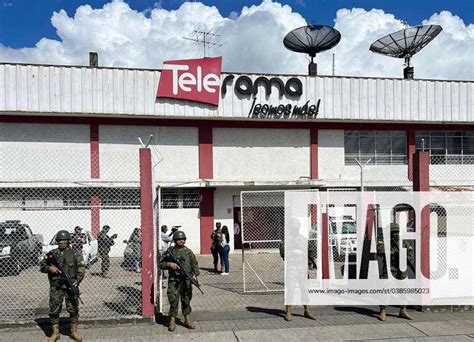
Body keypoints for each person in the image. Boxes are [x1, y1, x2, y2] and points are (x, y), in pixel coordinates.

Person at [40, 230, 85, 342]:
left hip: (71, 285)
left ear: (68, 241)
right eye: (60, 241)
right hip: (56, 286)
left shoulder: (75, 254)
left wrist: (78, 280)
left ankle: (73, 332)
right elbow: (42, 265)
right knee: (54, 310)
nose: (62, 243)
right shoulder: (51, 254)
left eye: (64, 241)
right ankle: (55, 333)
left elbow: (81, 268)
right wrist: (50, 268)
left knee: (73, 309)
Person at [159, 230, 200, 332]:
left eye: (183, 239)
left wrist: (195, 275)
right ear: (175, 240)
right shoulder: (170, 252)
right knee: (173, 300)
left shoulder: (189, 252)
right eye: (179, 239)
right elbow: (161, 264)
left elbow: (195, 265)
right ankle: (172, 321)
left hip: (186, 280)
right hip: (174, 280)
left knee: (186, 300)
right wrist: (170, 265)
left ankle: (187, 320)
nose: (181, 241)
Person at [279, 218, 316, 322]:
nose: (295, 230)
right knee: (290, 289)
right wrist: (294, 252)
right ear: (290, 228)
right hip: (292, 267)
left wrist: (311, 262)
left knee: (304, 289)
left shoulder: (303, 239)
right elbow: (282, 253)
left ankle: (306, 310)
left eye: (296, 228)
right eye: (293, 228)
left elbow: (310, 251)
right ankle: (288, 311)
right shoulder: (286, 240)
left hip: (302, 267)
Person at [377, 222, 414, 321]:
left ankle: (403, 310)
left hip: (401, 270)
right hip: (389, 269)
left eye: (397, 232)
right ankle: (383, 310)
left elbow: (410, 255)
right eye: (393, 232)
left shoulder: (404, 242)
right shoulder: (384, 240)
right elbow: (380, 251)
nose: (395, 234)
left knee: (404, 289)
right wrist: (393, 252)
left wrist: (404, 255)